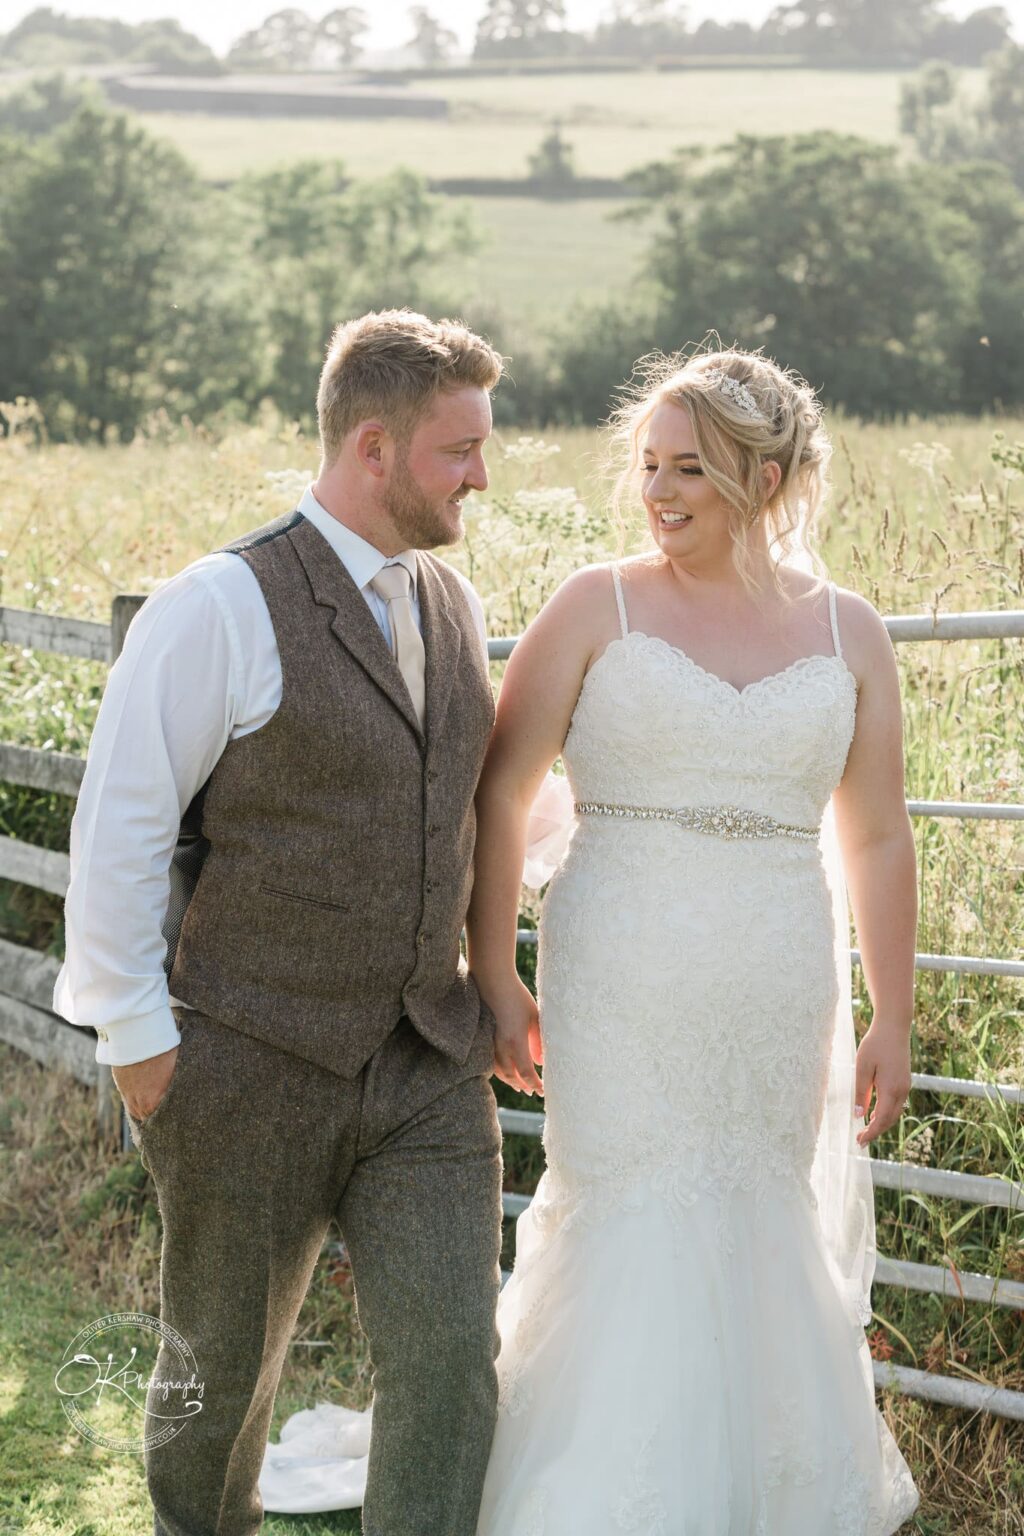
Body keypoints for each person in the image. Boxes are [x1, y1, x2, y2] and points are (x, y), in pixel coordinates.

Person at [54, 309, 508, 1536]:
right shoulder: (220, 604)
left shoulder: (453, 603)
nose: (482, 473)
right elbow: (122, 828)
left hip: (424, 1065)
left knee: (451, 1366)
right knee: (217, 1397)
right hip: (246, 1062)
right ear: (372, 445)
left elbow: (454, 812)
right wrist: (140, 1047)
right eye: (458, 449)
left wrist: (497, 982)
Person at [466, 347, 922, 1533]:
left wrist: (893, 1012)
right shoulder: (593, 605)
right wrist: (493, 968)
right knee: (625, 1203)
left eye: (691, 472)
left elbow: (874, 839)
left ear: (763, 477)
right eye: (649, 468)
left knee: (755, 1208)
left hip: (776, 980)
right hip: (620, 972)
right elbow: (502, 797)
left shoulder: (849, 632)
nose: (659, 495)